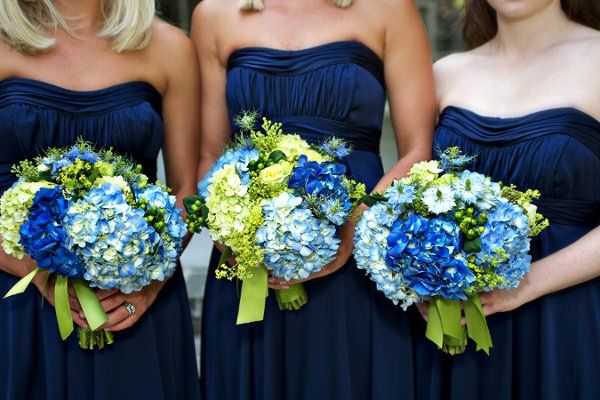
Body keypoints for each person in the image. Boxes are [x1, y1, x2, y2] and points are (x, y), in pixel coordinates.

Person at [191, 0, 436, 399]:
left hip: (359, 262)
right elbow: (210, 154)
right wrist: (235, 234)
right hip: (250, 271)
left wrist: (353, 230)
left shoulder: (390, 9)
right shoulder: (215, 14)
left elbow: (419, 151)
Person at [0, 1, 201, 399]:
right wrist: (36, 273)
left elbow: (186, 191)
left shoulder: (170, 47)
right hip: (16, 300)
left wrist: (150, 285)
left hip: (135, 305)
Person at [419, 0, 600, 398]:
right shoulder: (444, 74)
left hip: (569, 318)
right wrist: (418, 279)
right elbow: (416, 201)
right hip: (461, 328)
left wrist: (525, 285)